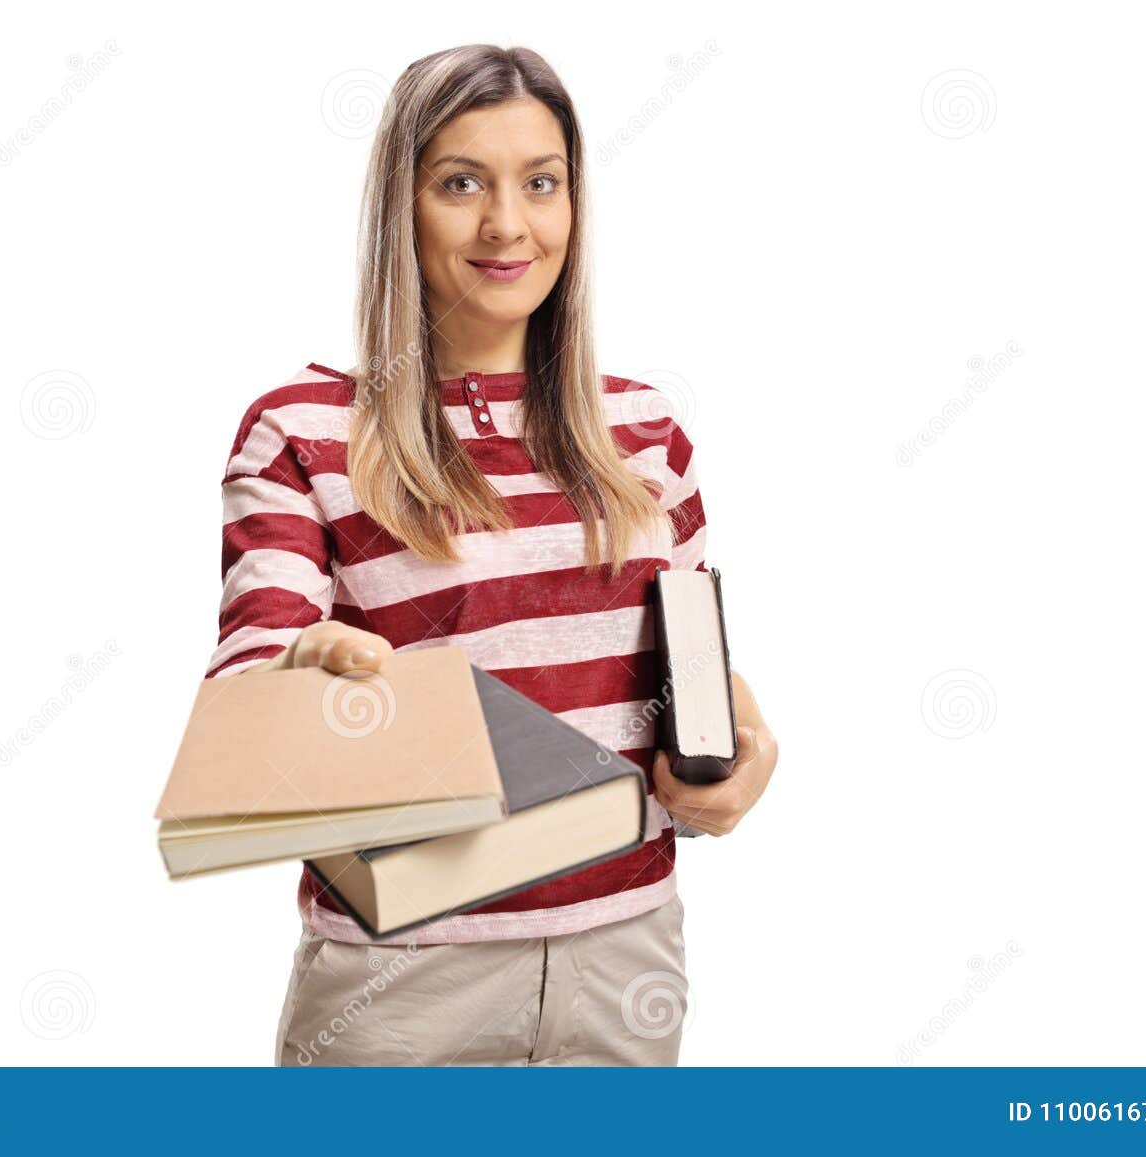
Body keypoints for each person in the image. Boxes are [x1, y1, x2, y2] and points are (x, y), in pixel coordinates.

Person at [204, 43, 779, 1066]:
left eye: (540, 183)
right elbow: (252, 679)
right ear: (401, 204)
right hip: (400, 980)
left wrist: (741, 740)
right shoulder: (303, 432)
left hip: (628, 951)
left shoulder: (646, 432)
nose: (507, 224)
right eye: (461, 182)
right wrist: (306, 671)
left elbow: (687, 670)